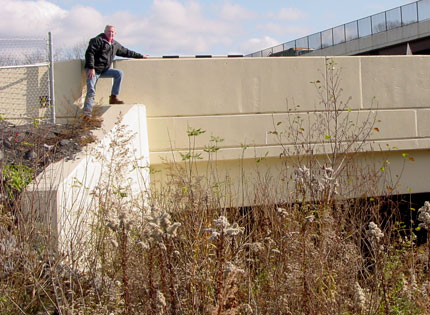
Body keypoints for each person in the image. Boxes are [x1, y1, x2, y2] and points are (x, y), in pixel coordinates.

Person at [83, 25, 148, 122]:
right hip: (94, 70)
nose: (111, 33)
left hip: (104, 70)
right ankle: (87, 116)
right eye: (109, 31)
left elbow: (126, 52)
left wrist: (141, 56)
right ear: (105, 31)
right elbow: (90, 53)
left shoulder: (114, 44)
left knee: (118, 73)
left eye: (112, 32)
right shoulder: (97, 40)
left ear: (115, 33)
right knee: (91, 91)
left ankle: (113, 97)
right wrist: (91, 67)